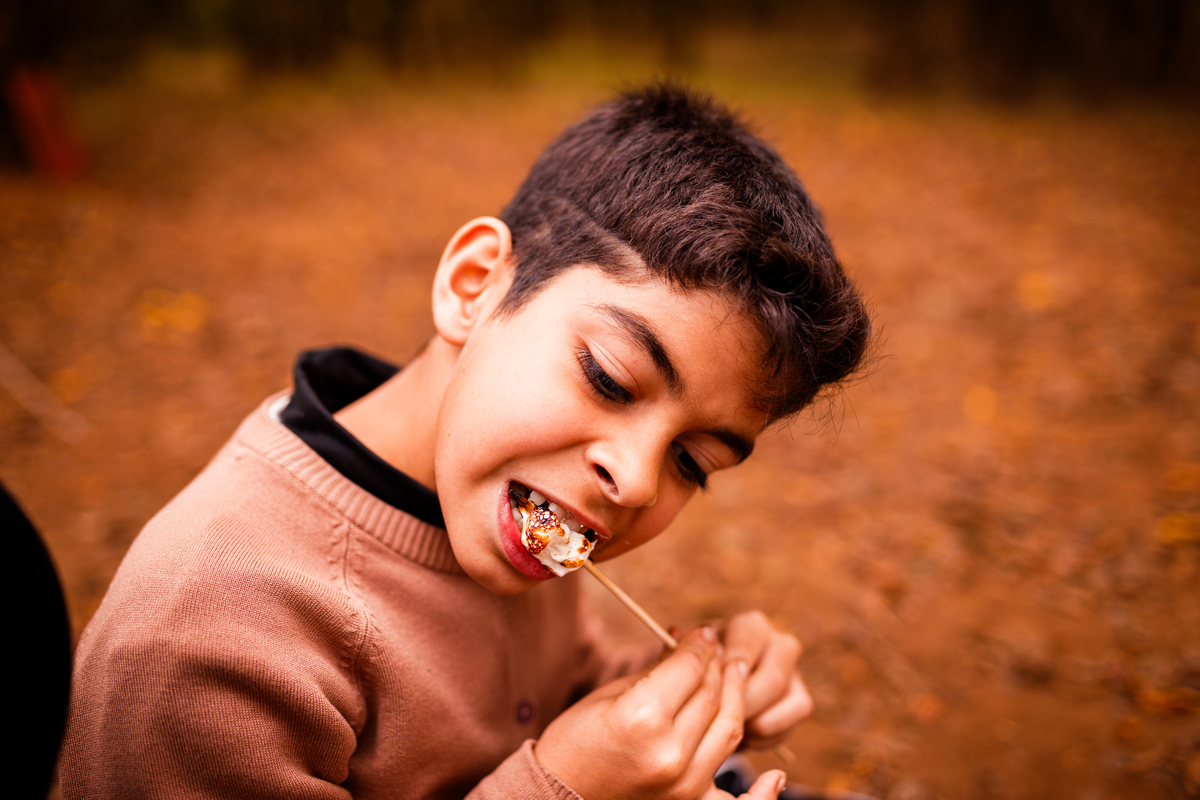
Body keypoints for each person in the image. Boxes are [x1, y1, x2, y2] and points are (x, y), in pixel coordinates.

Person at [60, 83, 871, 800]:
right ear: (474, 285)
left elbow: (547, 700)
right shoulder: (206, 639)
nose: (632, 480)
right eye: (611, 380)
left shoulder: (508, 496)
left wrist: (682, 701)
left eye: (691, 462)